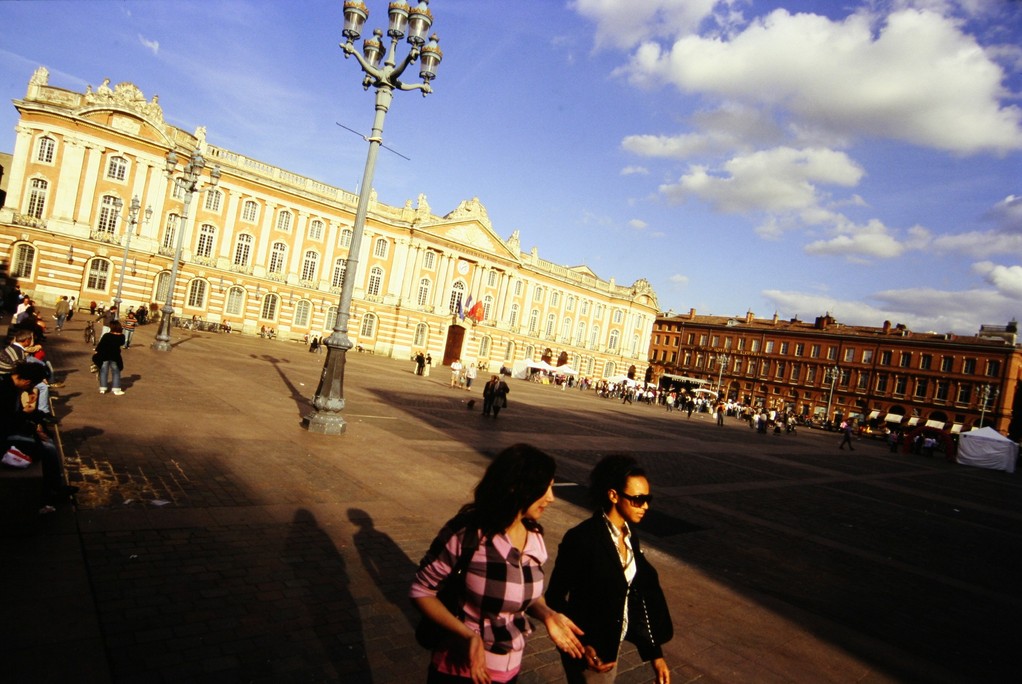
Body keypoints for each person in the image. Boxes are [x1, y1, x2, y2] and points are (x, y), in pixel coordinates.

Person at [410, 444, 584, 683]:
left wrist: (547, 614)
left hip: (510, 672)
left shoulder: (534, 535)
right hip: (459, 671)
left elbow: (526, 594)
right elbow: (421, 591)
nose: (552, 498)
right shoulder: (468, 533)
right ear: (516, 487)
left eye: (552, 486)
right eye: (545, 488)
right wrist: (467, 635)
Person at [547, 455, 673, 684]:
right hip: (590, 654)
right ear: (613, 495)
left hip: (611, 648)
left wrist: (655, 654)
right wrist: (583, 647)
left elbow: (635, 596)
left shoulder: (630, 535)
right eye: (638, 499)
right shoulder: (582, 538)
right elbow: (555, 597)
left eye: (648, 498)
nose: (645, 506)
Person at [1, 361, 76, 510]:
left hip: (10, 428)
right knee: (47, 448)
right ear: (26, 381)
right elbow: (6, 423)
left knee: (46, 442)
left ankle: (53, 486)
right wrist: (26, 416)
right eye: (31, 386)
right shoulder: (4, 391)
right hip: (4, 436)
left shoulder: (11, 383)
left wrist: (34, 419)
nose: (31, 389)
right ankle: (52, 490)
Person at [94, 320, 126, 395]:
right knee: (116, 372)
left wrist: (96, 351)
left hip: (105, 355)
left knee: (103, 371)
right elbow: (122, 343)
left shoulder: (107, 335)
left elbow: (101, 345)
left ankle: (102, 388)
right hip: (115, 356)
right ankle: (116, 389)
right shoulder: (121, 336)